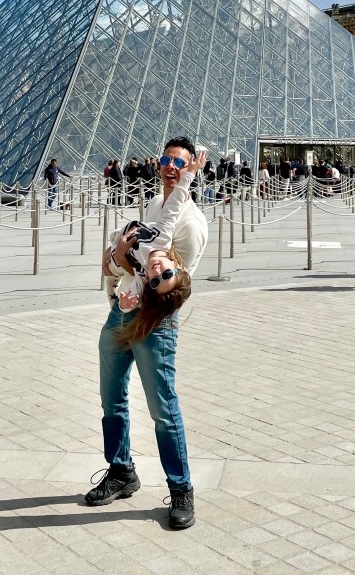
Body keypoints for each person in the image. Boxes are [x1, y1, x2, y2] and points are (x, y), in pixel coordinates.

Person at [87, 137, 208, 531]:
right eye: (166, 159)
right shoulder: (159, 205)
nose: (171, 166)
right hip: (123, 313)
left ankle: (180, 488)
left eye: (180, 162)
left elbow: (172, 288)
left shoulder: (191, 223)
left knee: (162, 411)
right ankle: (121, 471)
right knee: (111, 397)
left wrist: (121, 263)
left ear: (191, 168)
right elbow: (130, 262)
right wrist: (119, 263)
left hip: (155, 323)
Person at [105, 151, 207, 310]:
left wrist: (125, 305)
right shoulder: (164, 235)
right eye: (166, 274)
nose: (157, 273)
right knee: (116, 240)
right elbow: (175, 201)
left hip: (121, 252)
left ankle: (112, 299)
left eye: (154, 281)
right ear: (176, 265)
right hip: (128, 233)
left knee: (110, 277)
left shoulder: (144, 273)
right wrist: (191, 173)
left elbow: (136, 291)